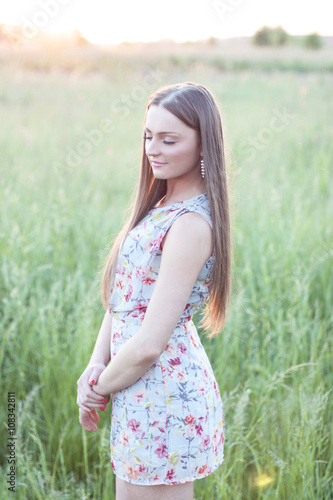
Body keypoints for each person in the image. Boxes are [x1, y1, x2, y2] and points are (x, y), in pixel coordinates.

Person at [77, 82, 232, 500]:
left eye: (169, 139)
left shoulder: (190, 223)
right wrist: (95, 364)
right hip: (133, 387)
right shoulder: (159, 206)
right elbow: (123, 300)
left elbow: (149, 344)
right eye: (148, 136)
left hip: (166, 395)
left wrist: (98, 389)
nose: (153, 148)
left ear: (203, 146)